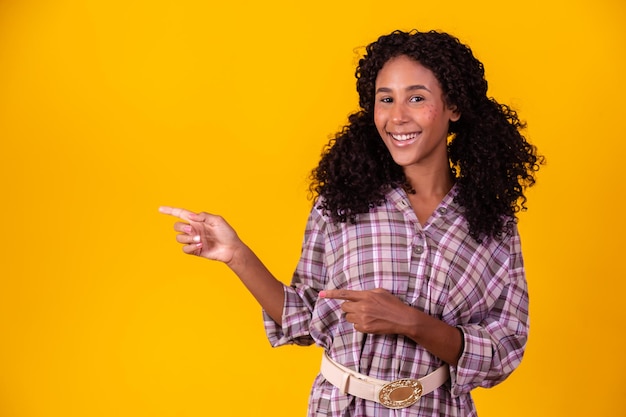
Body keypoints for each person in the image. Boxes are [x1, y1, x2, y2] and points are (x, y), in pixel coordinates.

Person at [159, 29, 543, 416]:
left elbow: (503, 349)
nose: (397, 116)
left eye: (416, 98)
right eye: (385, 99)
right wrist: (236, 255)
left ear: (453, 106)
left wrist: (412, 322)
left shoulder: (492, 224)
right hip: (340, 407)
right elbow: (304, 317)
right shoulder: (342, 203)